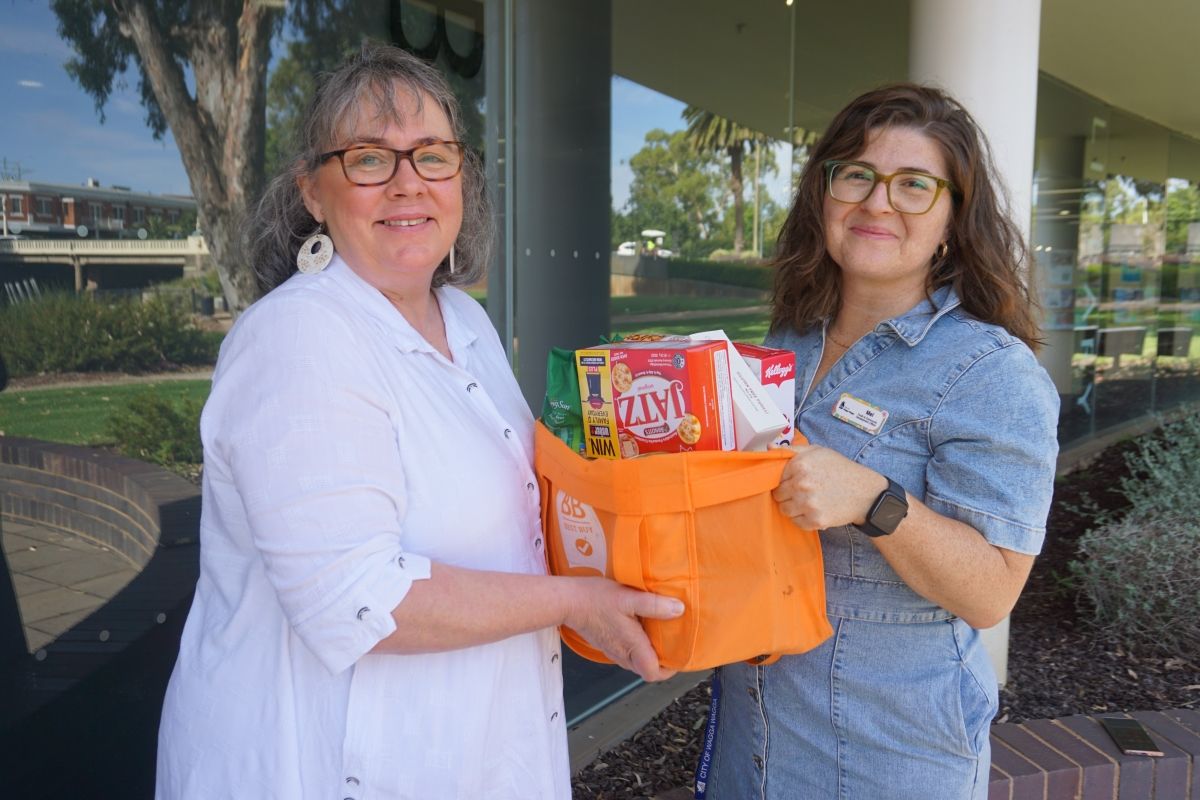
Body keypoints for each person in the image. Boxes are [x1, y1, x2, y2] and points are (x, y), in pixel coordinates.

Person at [155, 43, 682, 800]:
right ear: (313, 191)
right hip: (314, 765)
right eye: (370, 159)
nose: (409, 184)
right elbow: (361, 599)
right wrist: (576, 602)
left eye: (432, 156)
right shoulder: (299, 338)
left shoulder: (463, 317)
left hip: (466, 749)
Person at [699, 84, 1059, 799]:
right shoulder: (788, 343)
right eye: (856, 175)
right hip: (754, 732)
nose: (877, 202)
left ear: (954, 218)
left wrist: (874, 499)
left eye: (914, 185)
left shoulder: (991, 374)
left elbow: (991, 593)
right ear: (823, 196)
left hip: (885, 757)